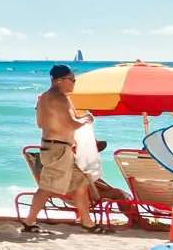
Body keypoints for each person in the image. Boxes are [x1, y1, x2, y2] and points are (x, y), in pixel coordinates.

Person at [22, 64, 112, 233]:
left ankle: (87, 223)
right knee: (47, 187)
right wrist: (86, 119)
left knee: (80, 184)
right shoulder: (61, 98)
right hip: (59, 149)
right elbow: (71, 124)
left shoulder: (44, 98)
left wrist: (73, 121)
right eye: (72, 80)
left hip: (53, 146)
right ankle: (28, 221)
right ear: (60, 80)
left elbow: (41, 123)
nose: (74, 83)